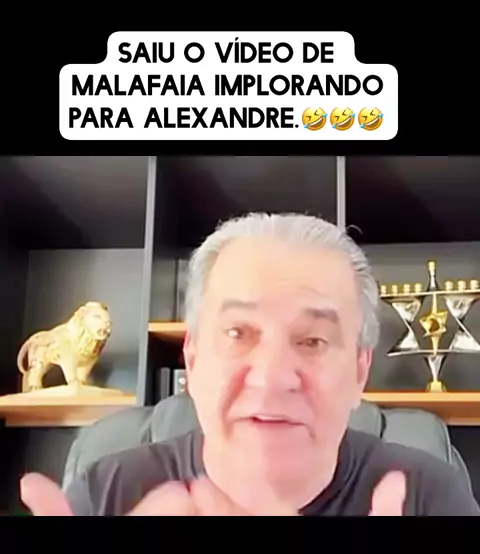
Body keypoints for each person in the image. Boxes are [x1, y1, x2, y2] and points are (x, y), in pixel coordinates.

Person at [20, 212, 480, 516]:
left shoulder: (429, 497)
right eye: (238, 333)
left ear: (360, 372)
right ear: (193, 360)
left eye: (313, 340)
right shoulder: (106, 493)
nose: (272, 376)